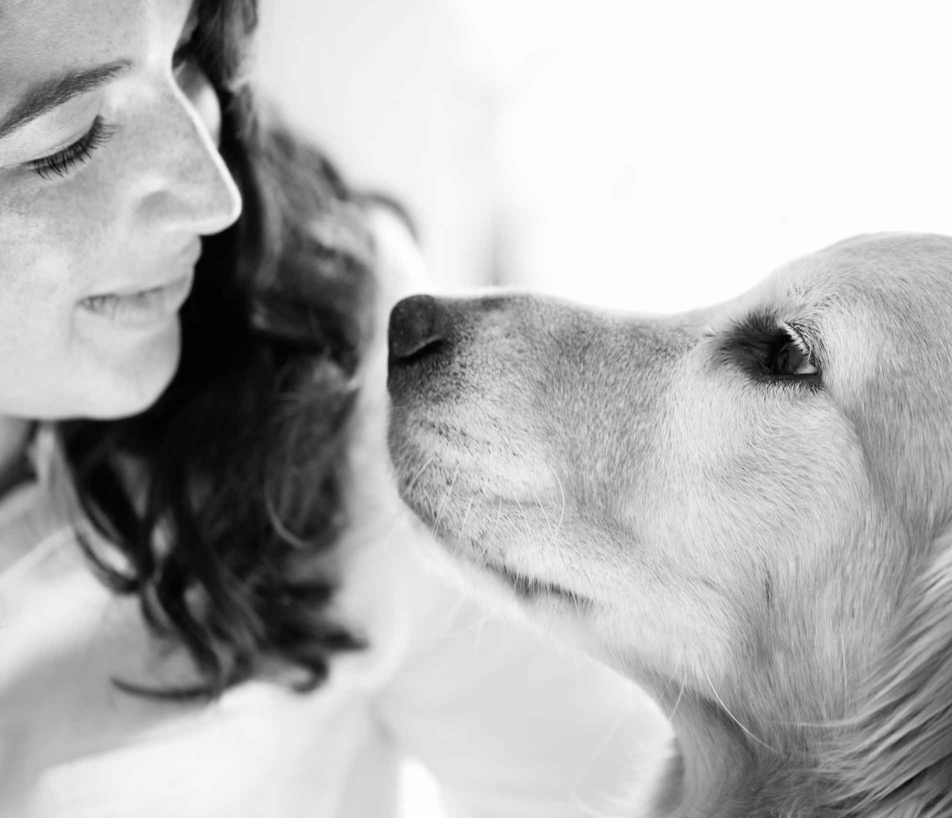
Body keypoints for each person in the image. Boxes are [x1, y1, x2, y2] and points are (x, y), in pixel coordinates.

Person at [0, 0, 672, 816]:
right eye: (66, 144)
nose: (215, 199)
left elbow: (596, 795)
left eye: (185, 54)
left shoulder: (334, 368)